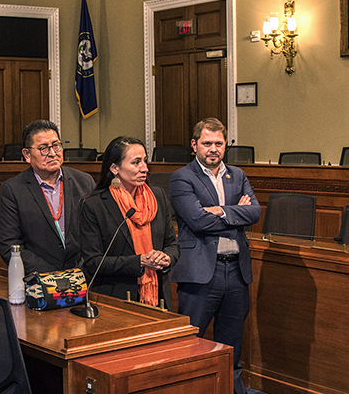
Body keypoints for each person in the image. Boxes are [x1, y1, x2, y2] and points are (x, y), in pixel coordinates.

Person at [169, 117, 260, 394]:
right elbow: (197, 221)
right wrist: (235, 212)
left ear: (225, 145)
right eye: (207, 143)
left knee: (231, 345)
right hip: (201, 274)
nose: (213, 149)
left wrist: (219, 210)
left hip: (235, 272)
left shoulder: (238, 175)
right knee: (190, 342)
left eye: (218, 143)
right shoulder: (182, 177)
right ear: (194, 145)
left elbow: (255, 213)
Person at [78, 136, 179, 310]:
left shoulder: (157, 197)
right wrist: (139, 261)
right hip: (115, 299)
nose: (144, 168)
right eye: (136, 162)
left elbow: (172, 244)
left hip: (158, 298)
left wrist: (166, 258)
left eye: (145, 161)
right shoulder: (94, 204)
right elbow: (92, 262)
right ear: (114, 168)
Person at [0, 119, 96, 273]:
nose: (52, 153)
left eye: (56, 146)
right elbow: (9, 245)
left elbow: (95, 235)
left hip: (83, 277)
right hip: (39, 280)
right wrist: (50, 275)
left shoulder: (84, 182)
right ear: (27, 154)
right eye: (43, 148)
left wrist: (80, 270)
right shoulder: (13, 189)